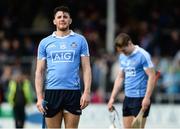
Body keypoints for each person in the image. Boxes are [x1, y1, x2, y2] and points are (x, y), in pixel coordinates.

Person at [35, 6, 92, 128]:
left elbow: (86, 68)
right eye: (59, 17)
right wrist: (39, 97)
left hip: (73, 92)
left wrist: (86, 92)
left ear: (70, 20)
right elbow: (39, 72)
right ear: (54, 21)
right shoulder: (45, 42)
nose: (62, 19)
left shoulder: (80, 40)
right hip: (52, 92)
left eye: (65, 17)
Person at [108, 33, 156, 129]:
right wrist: (112, 97)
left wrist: (147, 97)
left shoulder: (143, 55)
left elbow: (152, 76)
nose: (123, 53)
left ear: (129, 43)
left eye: (124, 51)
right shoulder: (122, 56)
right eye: (121, 51)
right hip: (128, 98)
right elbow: (120, 77)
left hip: (140, 98)